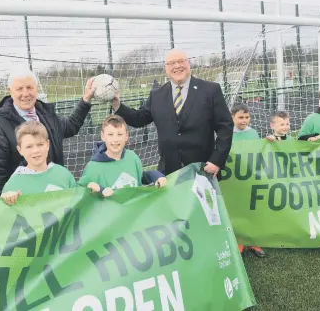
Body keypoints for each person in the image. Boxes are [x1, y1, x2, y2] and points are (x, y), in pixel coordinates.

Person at [111, 49, 233, 178]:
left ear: (188, 63)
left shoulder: (210, 90)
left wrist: (216, 161)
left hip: (203, 170)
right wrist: (116, 104)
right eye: (171, 63)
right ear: (165, 68)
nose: (177, 66)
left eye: (181, 61)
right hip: (169, 173)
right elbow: (139, 119)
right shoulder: (157, 95)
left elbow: (225, 126)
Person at [0, 69, 95, 196]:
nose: (25, 93)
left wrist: (86, 99)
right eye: (19, 89)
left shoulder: (47, 114)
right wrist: (5, 201)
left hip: (56, 194)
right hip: (28, 202)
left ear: (36, 88)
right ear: (10, 91)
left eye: (30, 87)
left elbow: (70, 126)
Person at [78, 115, 166, 197]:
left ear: (126, 136)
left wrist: (155, 175)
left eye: (120, 134)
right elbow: (79, 191)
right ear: (103, 136)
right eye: (110, 135)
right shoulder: (93, 167)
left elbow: (140, 177)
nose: (115, 139)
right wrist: (98, 189)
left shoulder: (132, 157)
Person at [0, 121, 77, 205]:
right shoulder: (13, 185)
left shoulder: (63, 174)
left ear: (47, 145)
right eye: (29, 146)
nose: (36, 151)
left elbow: (79, 202)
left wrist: (90, 191)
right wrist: (4, 201)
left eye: (40, 144)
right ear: (20, 150)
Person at [230, 104, 265, 258]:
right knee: (237, 210)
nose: (244, 120)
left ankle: (254, 242)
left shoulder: (254, 133)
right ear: (232, 117)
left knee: (253, 210)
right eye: (240, 117)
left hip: (252, 178)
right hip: (235, 181)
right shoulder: (227, 134)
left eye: (246, 117)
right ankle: (239, 242)